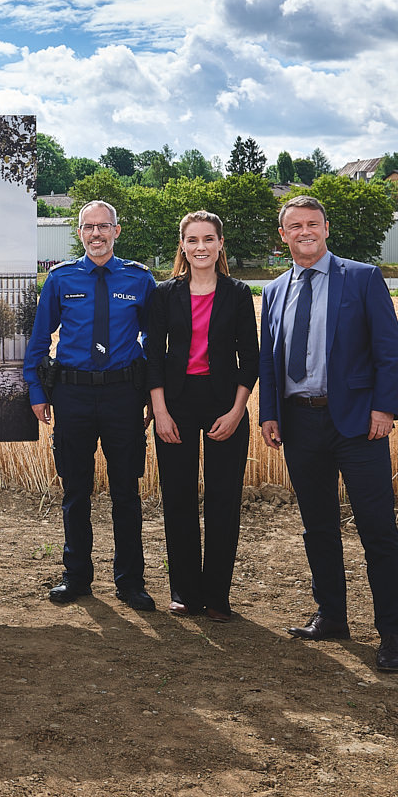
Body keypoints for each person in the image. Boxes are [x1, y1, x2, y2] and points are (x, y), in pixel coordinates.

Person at [258, 195, 398, 672]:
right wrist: (270, 413)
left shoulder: (361, 278)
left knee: (377, 529)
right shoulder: (275, 290)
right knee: (318, 526)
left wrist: (385, 408)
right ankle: (332, 617)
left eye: (312, 224)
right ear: (283, 236)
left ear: (326, 229)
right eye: (294, 226)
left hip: (359, 424)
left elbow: (389, 350)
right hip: (300, 424)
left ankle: (391, 635)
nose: (305, 231)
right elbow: (269, 359)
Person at [23, 200, 157, 611]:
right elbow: (39, 337)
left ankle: (130, 582)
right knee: (75, 491)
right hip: (74, 395)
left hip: (122, 395)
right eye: (88, 227)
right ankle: (76, 577)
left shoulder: (140, 280)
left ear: (117, 231)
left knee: (125, 493)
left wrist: (152, 394)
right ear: (79, 233)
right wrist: (36, 391)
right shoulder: (62, 279)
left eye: (104, 227)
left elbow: (154, 341)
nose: (96, 234)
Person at [145, 211, 257, 622]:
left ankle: (217, 597)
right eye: (192, 240)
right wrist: (160, 411)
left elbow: (251, 358)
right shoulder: (164, 294)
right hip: (175, 404)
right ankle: (185, 593)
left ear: (220, 244)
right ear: (182, 247)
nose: (201, 247)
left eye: (208, 239)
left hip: (223, 403)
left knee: (224, 500)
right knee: (178, 498)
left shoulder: (238, 293)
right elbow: (153, 355)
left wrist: (237, 409)